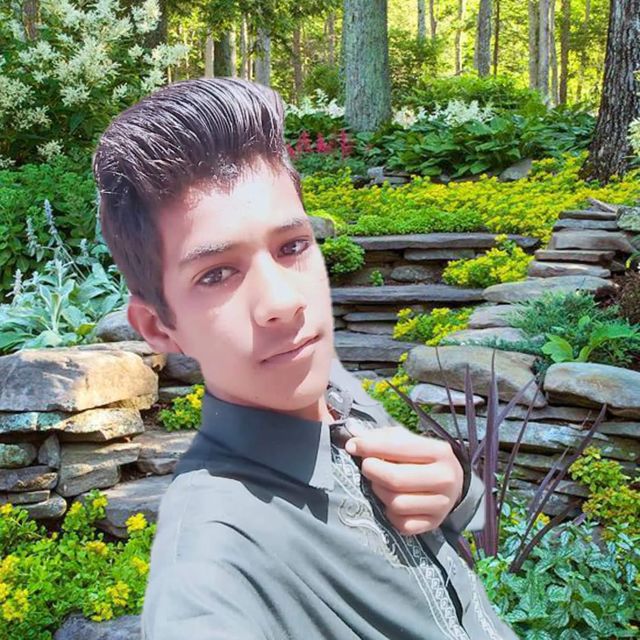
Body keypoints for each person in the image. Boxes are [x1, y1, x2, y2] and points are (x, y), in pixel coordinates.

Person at [92, 77, 520, 640]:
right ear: (159, 327)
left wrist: (458, 490)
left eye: (291, 246)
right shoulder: (210, 563)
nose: (283, 302)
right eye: (216, 274)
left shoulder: (337, 394)